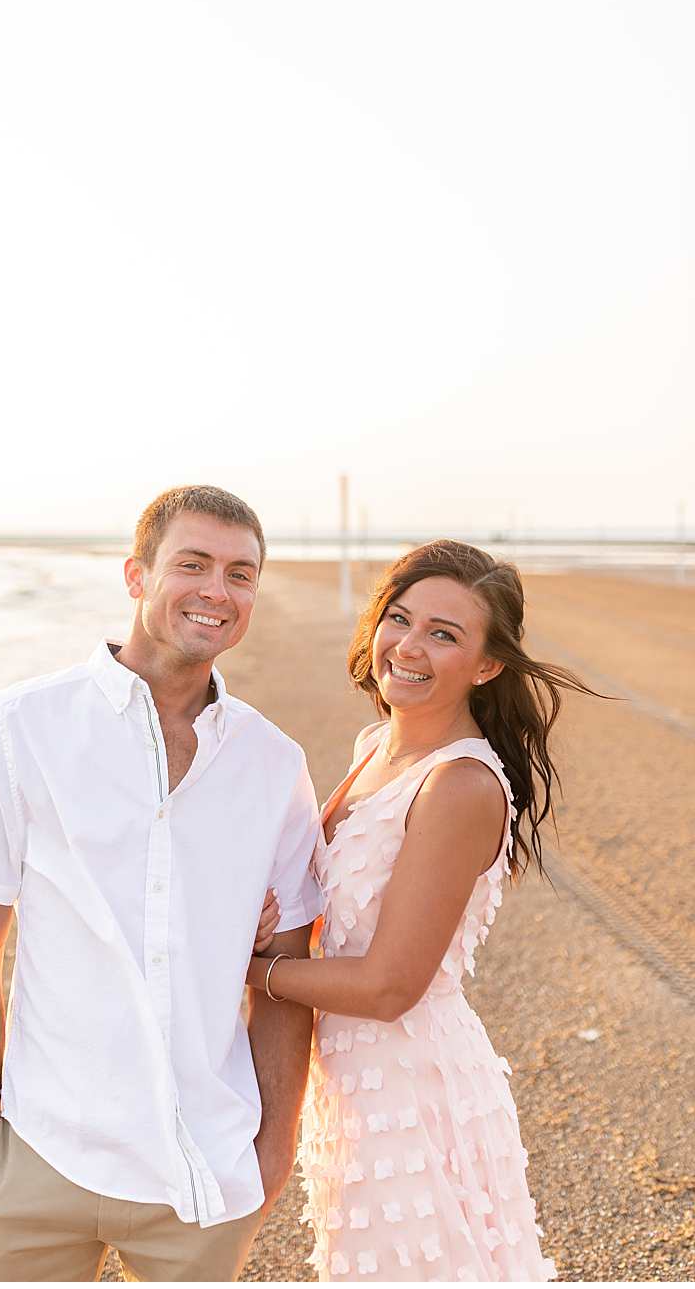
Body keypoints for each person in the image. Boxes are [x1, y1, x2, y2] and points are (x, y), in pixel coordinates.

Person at [0, 485, 325, 1282]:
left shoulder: (274, 765)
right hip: (34, 1153)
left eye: (242, 574)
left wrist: (275, 1150)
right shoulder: (18, 726)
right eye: (193, 564)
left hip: (203, 1169)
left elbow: (286, 970)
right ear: (136, 575)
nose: (217, 590)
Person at [248, 541, 593, 1281]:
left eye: (444, 633)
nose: (408, 645)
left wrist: (248, 970)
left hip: (411, 1084)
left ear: (488, 664)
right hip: (355, 1082)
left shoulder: (460, 786)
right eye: (399, 618)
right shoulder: (377, 746)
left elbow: (387, 984)